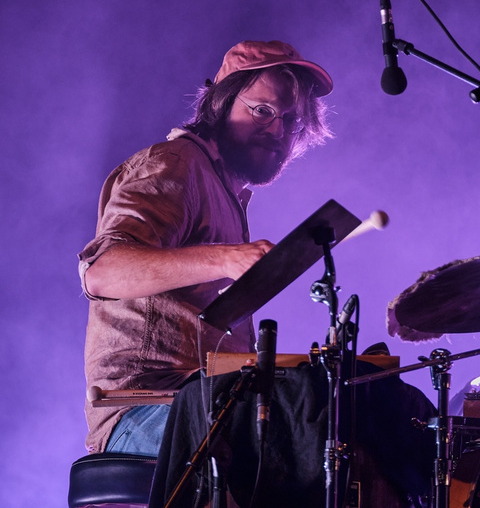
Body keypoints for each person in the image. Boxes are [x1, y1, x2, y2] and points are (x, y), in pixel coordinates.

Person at [78, 40, 334, 455]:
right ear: (220, 104)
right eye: (263, 111)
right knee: (291, 442)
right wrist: (227, 258)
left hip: (207, 401)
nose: (278, 131)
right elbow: (104, 271)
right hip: (144, 413)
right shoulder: (174, 164)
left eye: (292, 121)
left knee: (334, 418)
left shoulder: (227, 194)